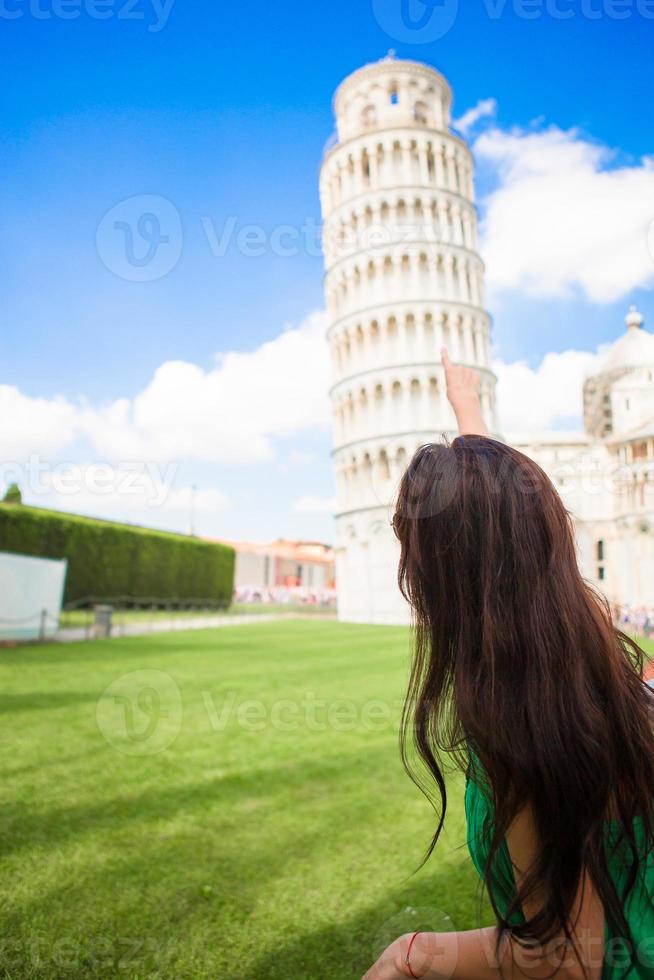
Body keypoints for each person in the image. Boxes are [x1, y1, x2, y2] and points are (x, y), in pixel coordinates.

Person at [363, 351, 654, 980]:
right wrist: (468, 417)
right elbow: (502, 532)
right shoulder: (585, 646)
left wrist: (412, 953)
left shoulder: (521, 722)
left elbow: (564, 956)